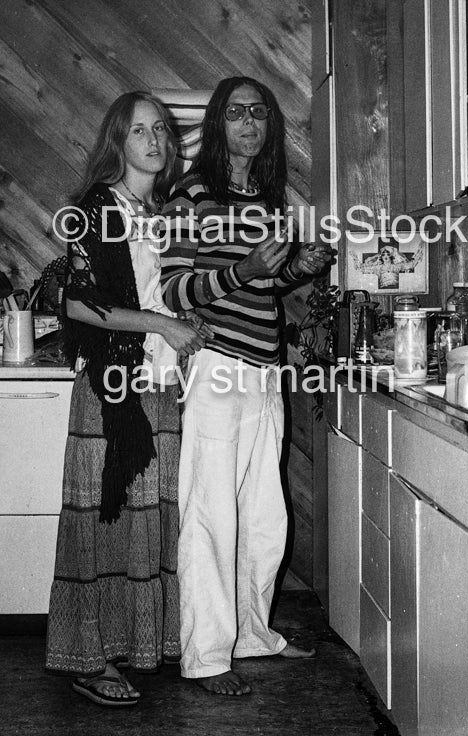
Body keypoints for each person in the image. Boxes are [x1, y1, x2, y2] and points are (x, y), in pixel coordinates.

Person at [160, 76, 332, 696]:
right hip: (215, 368)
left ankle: (251, 634)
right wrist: (248, 267)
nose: (249, 123)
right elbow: (177, 292)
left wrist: (293, 269)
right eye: (236, 113)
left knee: (264, 515)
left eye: (258, 113)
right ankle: (205, 655)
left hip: (264, 370)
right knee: (210, 513)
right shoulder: (192, 195)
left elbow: (265, 286)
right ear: (217, 124)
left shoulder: (267, 197)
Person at [45, 91, 206, 707]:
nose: (154, 139)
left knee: (148, 520)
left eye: (162, 128)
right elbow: (78, 303)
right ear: (118, 140)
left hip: (160, 384)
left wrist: (186, 329)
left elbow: (162, 293)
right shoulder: (98, 208)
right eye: (140, 129)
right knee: (103, 522)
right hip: (114, 388)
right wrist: (163, 327)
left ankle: (137, 647)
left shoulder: (156, 210)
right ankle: (89, 659)